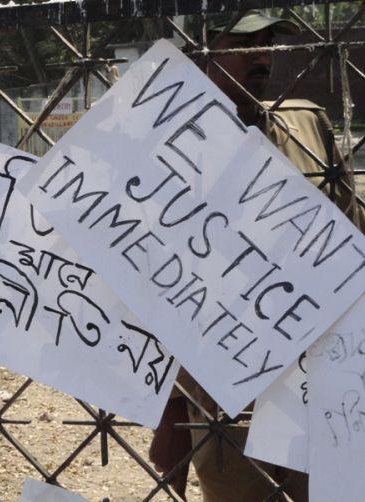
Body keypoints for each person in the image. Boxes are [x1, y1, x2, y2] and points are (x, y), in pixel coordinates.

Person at [149, 9, 365, 502]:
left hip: (321, 378)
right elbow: (150, 290)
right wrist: (171, 415)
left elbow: (353, 241)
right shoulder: (162, 152)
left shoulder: (306, 124)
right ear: (199, 51)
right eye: (245, 43)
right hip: (225, 389)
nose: (263, 56)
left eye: (268, 42)